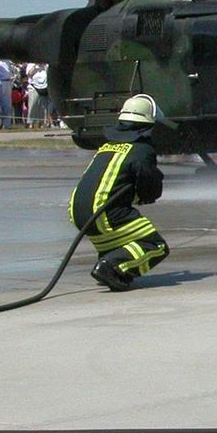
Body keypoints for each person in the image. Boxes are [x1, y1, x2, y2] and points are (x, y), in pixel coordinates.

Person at [68, 94, 169, 291]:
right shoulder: (141, 150)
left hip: (79, 212)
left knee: (116, 246)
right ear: (147, 124)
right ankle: (111, 267)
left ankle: (111, 261)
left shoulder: (107, 147)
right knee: (155, 246)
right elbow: (150, 186)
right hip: (105, 213)